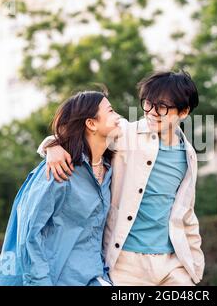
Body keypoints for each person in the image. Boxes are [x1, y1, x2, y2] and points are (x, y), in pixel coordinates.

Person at [38, 71, 205, 285]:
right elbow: (81, 134)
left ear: (183, 112)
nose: (152, 112)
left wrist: (195, 265)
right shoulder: (125, 133)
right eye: (148, 104)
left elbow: (186, 212)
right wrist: (52, 146)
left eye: (162, 107)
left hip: (173, 264)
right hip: (126, 264)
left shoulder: (188, 154)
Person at [0, 91, 120, 286]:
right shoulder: (58, 171)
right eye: (111, 111)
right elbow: (29, 237)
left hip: (94, 278)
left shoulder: (109, 168)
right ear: (91, 124)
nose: (118, 117)